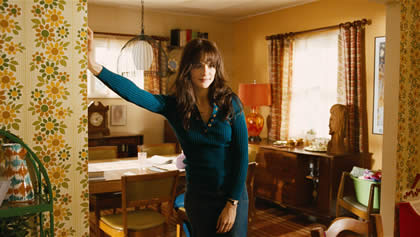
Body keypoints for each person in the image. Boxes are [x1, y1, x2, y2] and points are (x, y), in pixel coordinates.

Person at [88, 28, 249, 236]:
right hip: (199, 199)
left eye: (211, 65)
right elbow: (134, 93)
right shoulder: (175, 106)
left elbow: (241, 157)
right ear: (187, 69)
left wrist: (232, 204)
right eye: (198, 65)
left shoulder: (231, 103)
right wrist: (93, 66)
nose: (205, 71)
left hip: (231, 198)